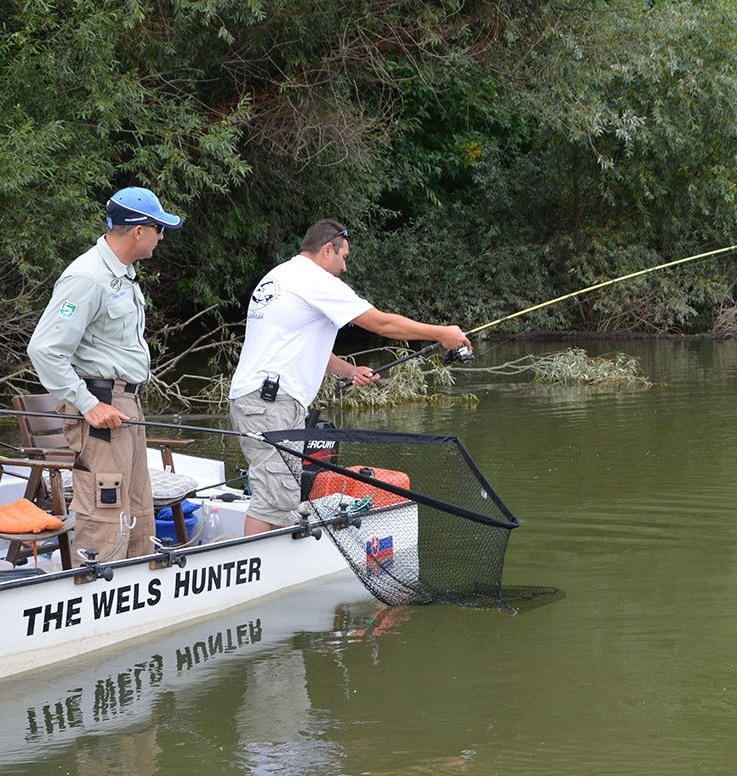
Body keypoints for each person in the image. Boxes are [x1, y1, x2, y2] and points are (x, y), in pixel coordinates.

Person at [228, 219, 469, 535]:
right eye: (343, 257)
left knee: (279, 494)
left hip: (260, 400)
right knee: (273, 502)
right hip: (270, 403)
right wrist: (441, 334)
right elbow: (382, 324)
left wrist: (349, 370)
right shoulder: (314, 280)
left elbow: (299, 342)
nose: (344, 267)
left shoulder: (281, 276)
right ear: (327, 250)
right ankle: (258, 576)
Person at [27, 186, 183, 562]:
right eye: (158, 227)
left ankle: (137, 593)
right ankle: (94, 597)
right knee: (106, 513)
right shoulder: (87, 277)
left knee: (137, 510)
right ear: (138, 230)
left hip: (126, 405)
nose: (162, 236)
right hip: (102, 409)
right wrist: (88, 404)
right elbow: (44, 349)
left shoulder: (123, 274)